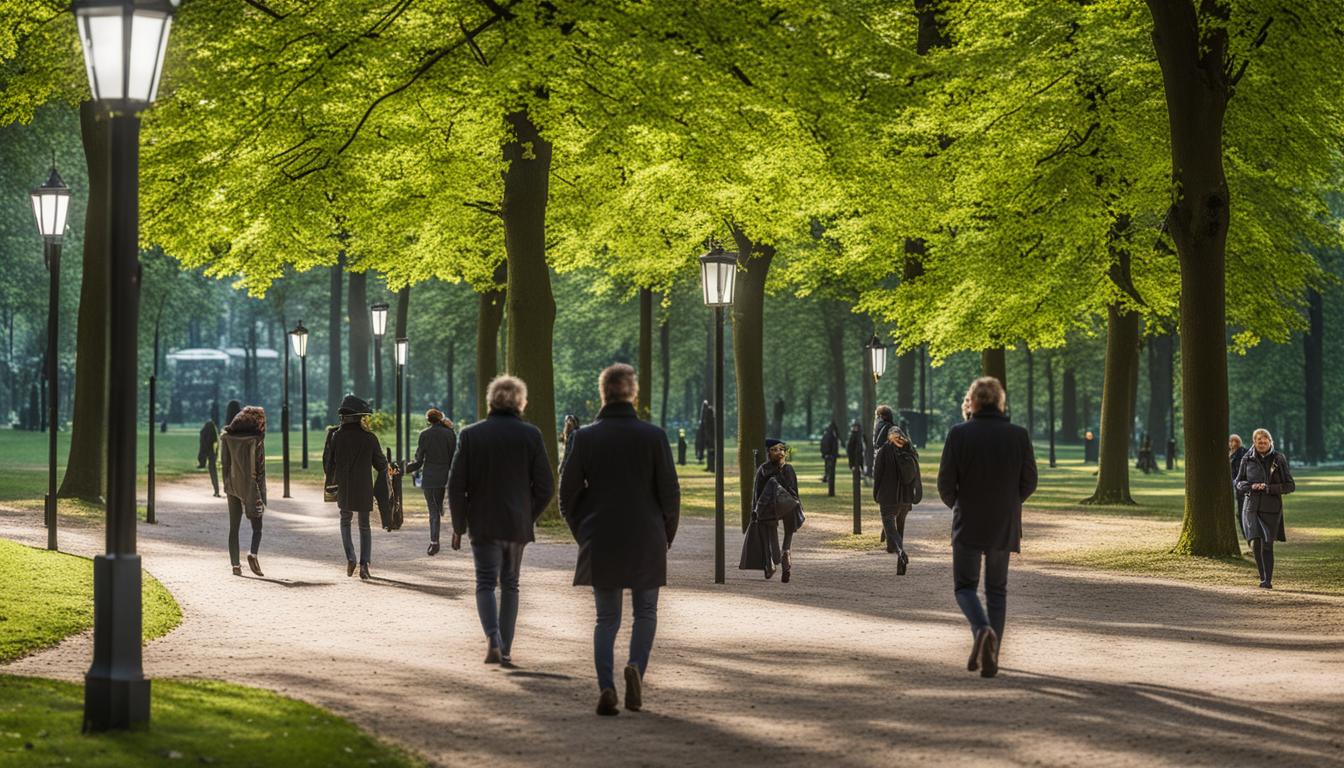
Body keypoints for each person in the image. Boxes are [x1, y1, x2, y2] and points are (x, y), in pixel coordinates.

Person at [560, 364, 679, 716]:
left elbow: (567, 496)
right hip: (647, 535)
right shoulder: (654, 436)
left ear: (603, 393)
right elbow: (670, 493)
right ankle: (636, 667)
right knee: (645, 612)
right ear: (633, 393)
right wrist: (665, 535)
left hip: (601, 536)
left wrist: (583, 532)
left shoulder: (584, 438)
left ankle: (606, 685)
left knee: (606, 619)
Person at [448, 375, 553, 666]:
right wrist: (527, 516)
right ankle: (505, 648)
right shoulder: (531, 435)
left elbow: (456, 485)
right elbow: (546, 487)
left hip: (482, 522)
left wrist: (459, 525)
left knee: (484, 583)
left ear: (490, 401)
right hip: (516, 524)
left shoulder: (470, 435)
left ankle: (492, 638)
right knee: (510, 584)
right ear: (522, 402)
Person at [937, 376, 1038, 679]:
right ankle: (992, 655)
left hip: (968, 518)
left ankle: (981, 629)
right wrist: (1010, 502)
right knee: (997, 590)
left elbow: (945, 483)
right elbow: (1030, 481)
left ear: (974, 401)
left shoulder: (959, 434)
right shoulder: (1018, 435)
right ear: (1000, 400)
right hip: (1003, 522)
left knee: (965, 587)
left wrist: (959, 502)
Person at [323, 394, 393, 580]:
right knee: (364, 526)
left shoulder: (336, 436)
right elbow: (381, 465)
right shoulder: (369, 438)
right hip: (364, 487)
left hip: (344, 487)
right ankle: (364, 565)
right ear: (358, 417)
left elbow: (329, 464)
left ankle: (350, 557)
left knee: (345, 521)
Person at [1234, 428, 1294, 589]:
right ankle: (1263, 578)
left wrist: (1268, 488)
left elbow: (1290, 486)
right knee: (1255, 543)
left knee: (1267, 544)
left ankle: (1268, 579)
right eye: (1258, 440)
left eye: (1264, 439)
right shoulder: (1246, 459)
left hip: (1271, 509)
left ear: (1270, 441)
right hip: (1251, 507)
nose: (1262, 442)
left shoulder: (1279, 458)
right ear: (1254, 442)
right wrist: (1251, 486)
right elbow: (1238, 482)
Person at [741, 438, 802, 582]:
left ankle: (780, 555)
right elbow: (758, 493)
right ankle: (776, 557)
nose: (779, 452)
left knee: (782, 518)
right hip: (773, 509)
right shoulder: (765, 469)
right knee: (767, 523)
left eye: (781, 449)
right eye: (774, 450)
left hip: (782, 507)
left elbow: (792, 493)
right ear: (768, 453)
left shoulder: (785, 469)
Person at [219, 406, 267, 577]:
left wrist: (226, 484)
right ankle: (252, 553)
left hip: (232, 485)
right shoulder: (256, 440)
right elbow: (260, 470)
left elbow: (224, 464)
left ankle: (235, 565)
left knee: (234, 527)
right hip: (251, 486)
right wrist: (262, 495)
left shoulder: (227, 438)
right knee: (257, 526)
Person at [407, 408, 457, 556]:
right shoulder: (450, 434)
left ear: (428, 421)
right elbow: (454, 458)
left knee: (433, 511)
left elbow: (419, 460)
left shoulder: (424, 435)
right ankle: (440, 506)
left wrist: (406, 469)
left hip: (429, 477)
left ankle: (434, 543)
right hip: (444, 477)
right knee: (438, 504)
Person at [873, 425, 919, 573]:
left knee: (889, 526)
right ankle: (900, 565)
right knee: (900, 528)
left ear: (888, 437)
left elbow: (877, 475)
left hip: (888, 497)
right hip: (905, 499)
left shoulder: (884, 451)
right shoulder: (910, 451)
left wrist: (876, 494)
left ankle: (899, 550)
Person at [1228, 434, 1249, 541]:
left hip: (1241, 486)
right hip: (1231, 486)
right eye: (1231, 441)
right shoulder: (1229, 454)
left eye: (1236, 441)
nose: (1233, 443)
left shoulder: (1243, 452)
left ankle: (1249, 538)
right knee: (1238, 513)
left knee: (1241, 512)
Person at [198, 418, 221, 497]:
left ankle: (216, 491)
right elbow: (216, 445)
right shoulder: (214, 436)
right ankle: (216, 490)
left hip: (206, 452)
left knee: (212, 472)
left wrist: (201, 460)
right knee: (213, 471)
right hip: (212, 453)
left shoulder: (203, 433)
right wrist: (216, 454)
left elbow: (202, 446)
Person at [819, 421, 840, 485]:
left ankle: (827, 477)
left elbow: (824, 444)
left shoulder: (827, 434)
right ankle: (828, 478)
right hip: (830, 454)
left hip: (829, 454)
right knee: (830, 467)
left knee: (828, 466)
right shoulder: (832, 435)